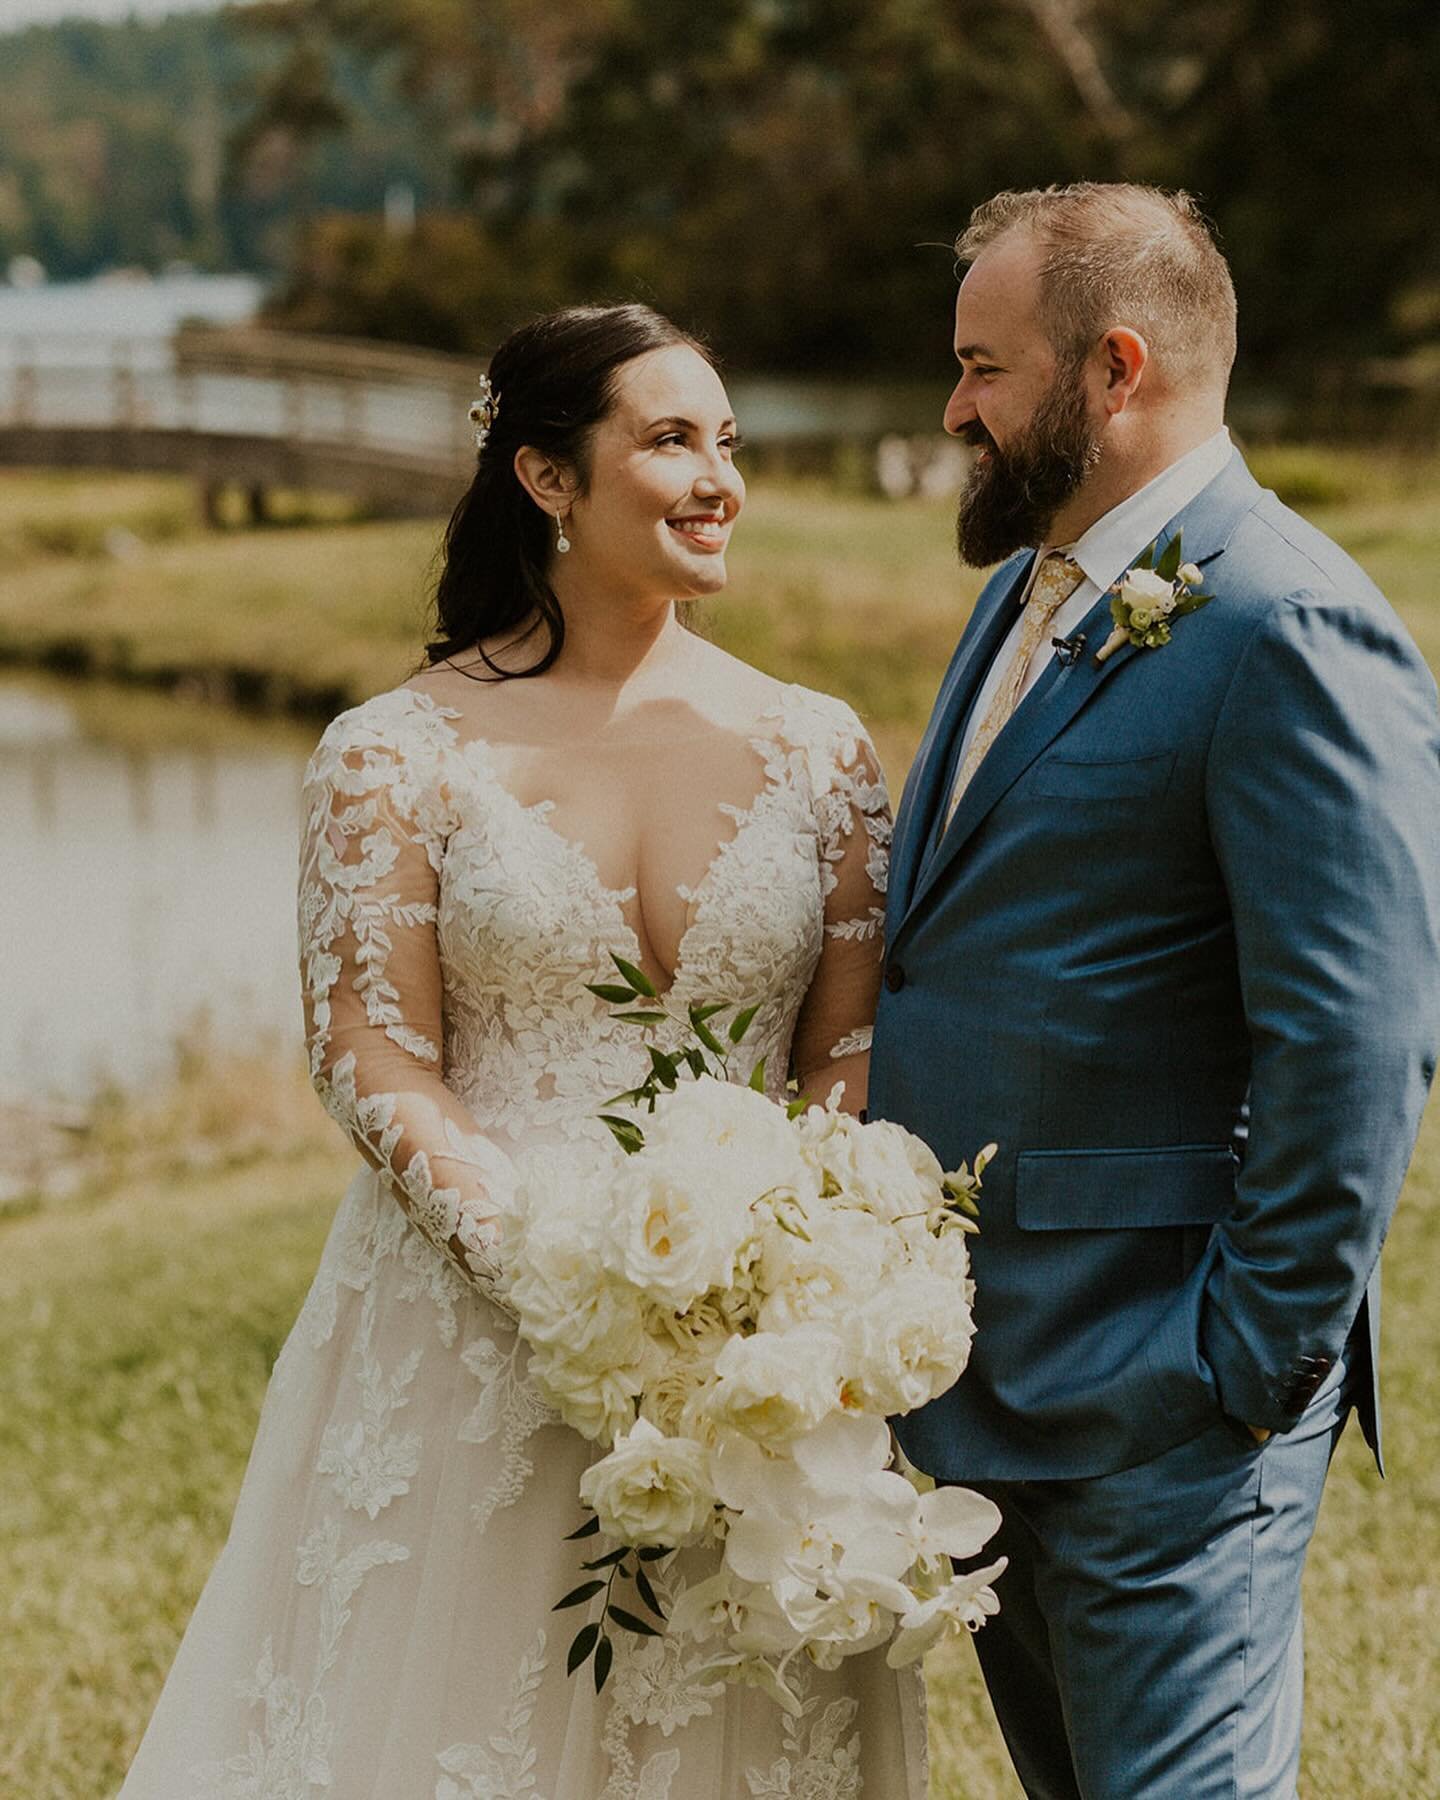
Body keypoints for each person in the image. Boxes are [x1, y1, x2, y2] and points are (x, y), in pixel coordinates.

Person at [117, 303, 923, 1798]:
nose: (716, 478)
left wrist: (802, 1270)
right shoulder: (393, 751)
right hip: (477, 1330)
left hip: (760, 1349)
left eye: (728, 442)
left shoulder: (820, 747)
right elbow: (369, 1050)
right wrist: (556, 1272)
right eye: (670, 439)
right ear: (546, 479)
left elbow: (846, 1044)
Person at [868, 183, 1440, 1799]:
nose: (955, 406)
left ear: (1113, 369)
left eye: (985, 369)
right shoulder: (1021, 594)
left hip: (1164, 1408)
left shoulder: (1291, 621)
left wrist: (1238, 1371)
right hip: (996, 1388)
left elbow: (1361, 1039)